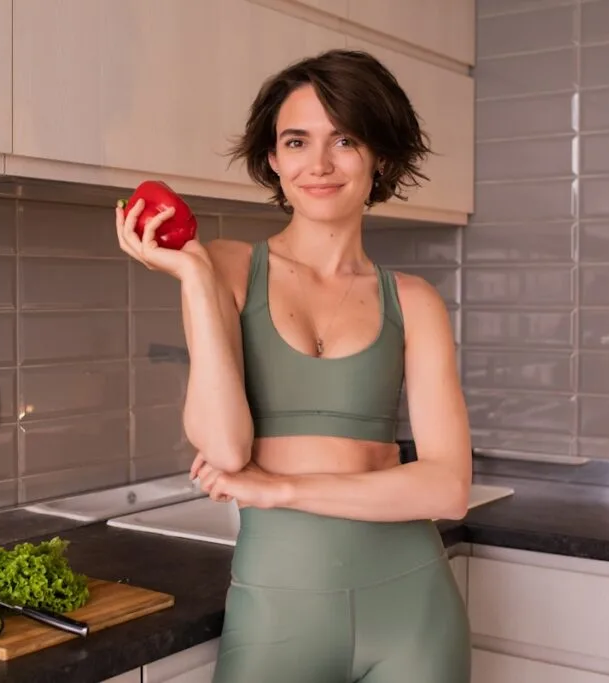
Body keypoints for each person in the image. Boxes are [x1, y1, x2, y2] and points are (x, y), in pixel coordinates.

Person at [115, 49, 472, 683]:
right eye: (298, 141)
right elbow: (225, 448)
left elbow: (448, 488)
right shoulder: (226, 268)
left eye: (347, 140)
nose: (320, 164)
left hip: (413, 610)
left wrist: (281, 489)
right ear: (274, 159)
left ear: (380, 158)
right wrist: (193, 277)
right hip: (278, 610)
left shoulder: (413, 302)